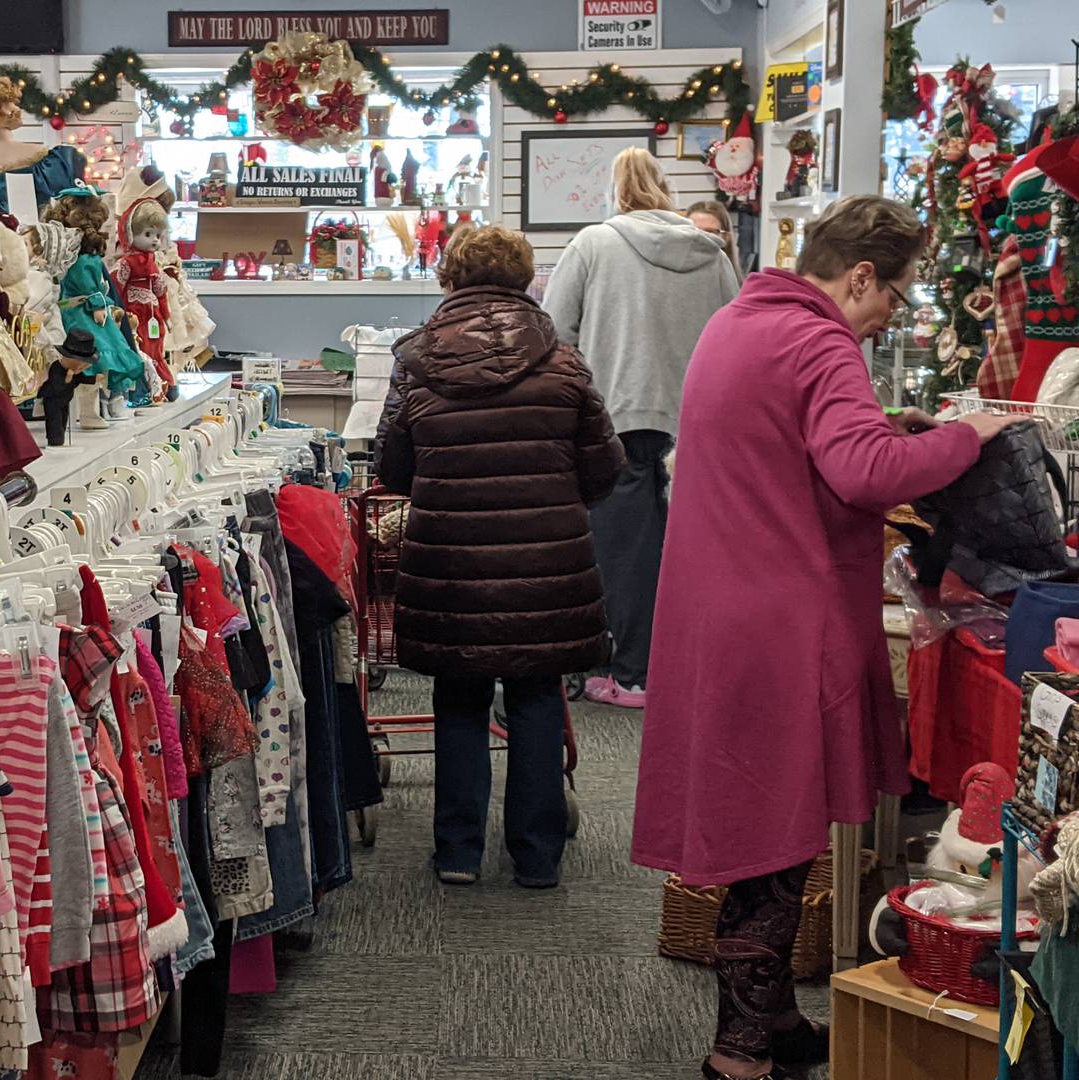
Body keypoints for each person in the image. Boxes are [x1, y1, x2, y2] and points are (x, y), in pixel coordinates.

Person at [629, 196, 1026, 1080]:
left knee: (757, 828)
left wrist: (890, 428)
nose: (892, 315)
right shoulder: (819, 340)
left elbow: (797, 449)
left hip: (718, 608)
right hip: (781, 617)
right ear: (858, 278)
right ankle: (739, 1053)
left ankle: (770, 1023)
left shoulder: (742, 321)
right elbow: (865, 472)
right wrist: (968, 433)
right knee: (776, 838)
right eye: (895, 295)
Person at [375, 225, 625, 888]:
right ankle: (537, 855)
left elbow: (394, 468)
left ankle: (458, 850)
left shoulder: (415, 362)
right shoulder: (564, 362)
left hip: (451, 568)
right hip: (546, 571)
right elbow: (605, 467)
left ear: (448, 281)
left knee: (459, 696)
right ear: (526, 283)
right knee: (537, 696)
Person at [542, 146, 738, 709]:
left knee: (625, 552)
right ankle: (686, 669)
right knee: (692, 551)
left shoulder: (593, 244)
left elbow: (555, 329)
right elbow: (734, 333)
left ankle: (632, 674)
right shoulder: (712, 252)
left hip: (617, 415)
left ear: (616, 191)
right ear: (666, 190)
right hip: (694, 424)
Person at [687, 199, 744, 281]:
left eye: (710, 232)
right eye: (694, 231)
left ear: (726, 238)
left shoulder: (741, 288)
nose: (701, 238)